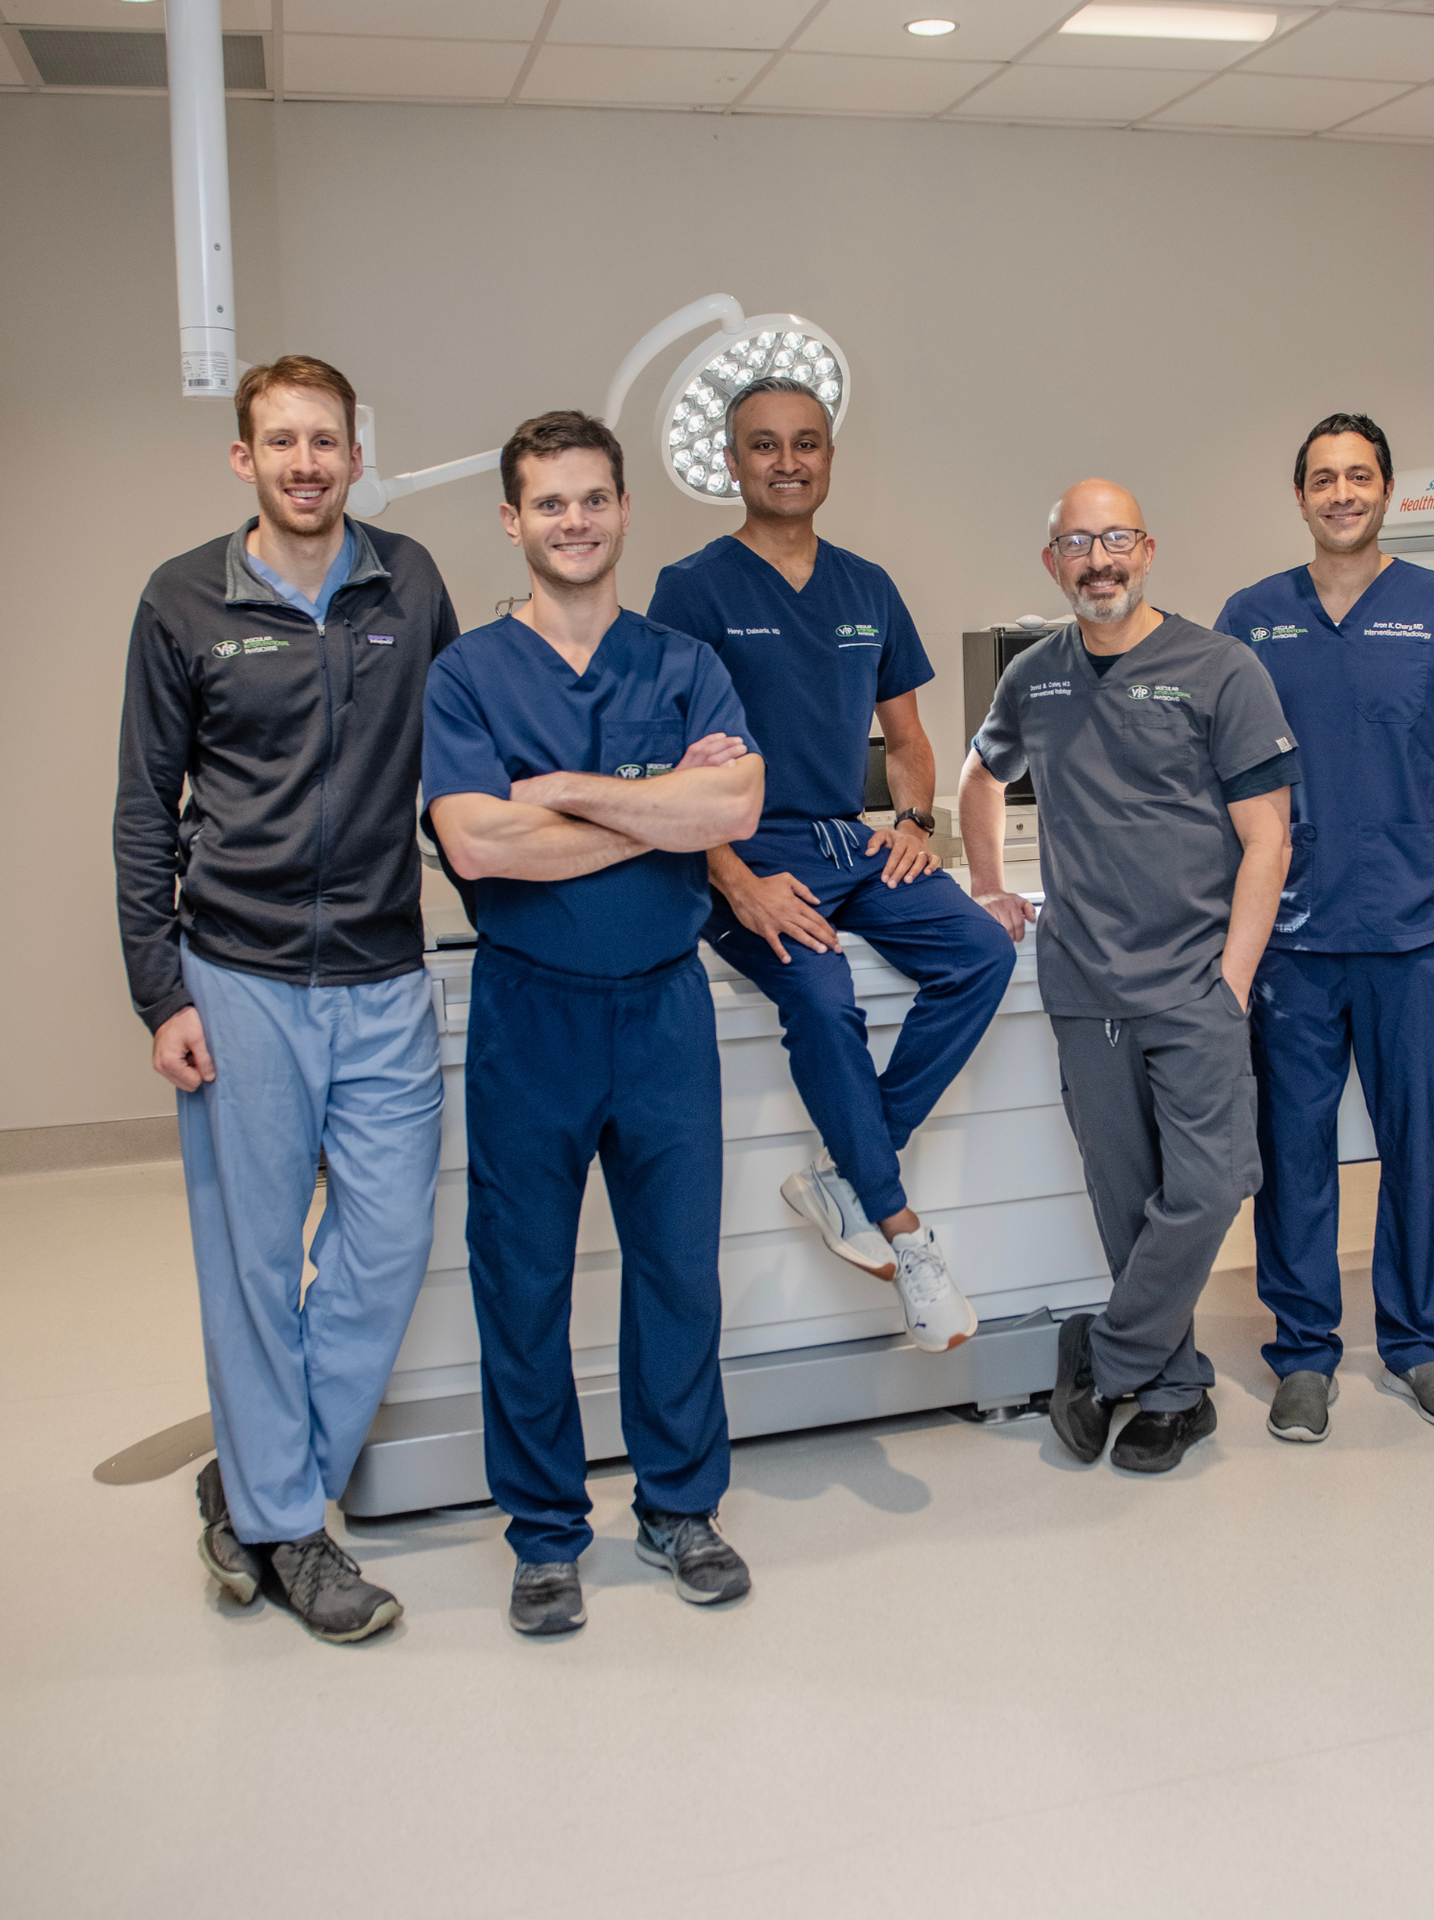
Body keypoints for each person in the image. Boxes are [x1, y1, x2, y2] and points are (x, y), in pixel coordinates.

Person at [114, 355, 459, 1643]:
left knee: (385, 1247)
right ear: (244, 457)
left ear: (357, 455)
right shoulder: (183, 600)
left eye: (326, 441)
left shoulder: (408, 582)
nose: (306, 463)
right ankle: (290, 1525)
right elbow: (144, 808)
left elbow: (468, 749)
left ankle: (255, 1486)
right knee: (251, 1262)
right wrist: (160, 991)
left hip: (381, 966)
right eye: (282, 441)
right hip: (237, 971)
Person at [425, 412, 765, 1635]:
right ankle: (543, 1534)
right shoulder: (467, 674)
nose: (575, 521)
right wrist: (658, 807)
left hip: (664, 1008)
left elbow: (733, 808)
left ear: (624, 509)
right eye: (549, 503)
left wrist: (569, 794)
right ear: (512, 521)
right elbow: (476, 841)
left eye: (593, 499)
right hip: (532, 1013)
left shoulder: (682, 662)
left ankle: (679, 1507)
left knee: (677, 1269)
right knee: (522, 1278)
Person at [647, 377, 1015, 1353]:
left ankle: (846, 1168)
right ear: (733, 464)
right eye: (765, 445)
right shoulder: (692, 588)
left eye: (805, 443)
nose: (788, 462)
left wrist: (912, 821)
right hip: (742, 846)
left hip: (844, 839)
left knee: (982, 953)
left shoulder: (867, 587)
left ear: (829, 458)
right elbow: (663, 762)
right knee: (820, 994)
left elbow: (910, 739)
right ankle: (904, 1233)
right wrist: (734, 879)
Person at [959, 479, 1296, 1473]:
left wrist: (1232, 981)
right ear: (1051, 562)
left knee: (1211, 1186)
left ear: (1147, 550)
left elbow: (1269, 838)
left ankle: (1104, 1356)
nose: (1098, 560)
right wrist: (987, 884)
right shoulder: (1034, 677)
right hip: (1083, 983)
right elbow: (979, 774)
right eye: (1077, 543)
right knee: (1127, 1200)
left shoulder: (1220, 669)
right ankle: (1175, 1390)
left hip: (1194, 984)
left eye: (1116, 540)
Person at [1215, 413, 1434, 1444]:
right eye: (1323, 478)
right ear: (1299, 496)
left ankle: (1422, 1345)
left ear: (1387, 489)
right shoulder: (1252, 617)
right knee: (1291, 1157)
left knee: (1417, 1153)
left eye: (1359, 475)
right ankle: (1304, 1353)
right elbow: (1220, 778)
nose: (1341, 492)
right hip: (1292, 946)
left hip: (1408, 939)